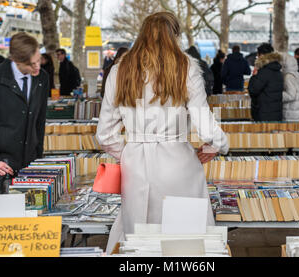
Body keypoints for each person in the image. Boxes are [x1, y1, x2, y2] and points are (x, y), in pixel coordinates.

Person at [96, 12, 228, 254]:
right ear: (175, 36)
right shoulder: (186, 66)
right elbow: (203, 121)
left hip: (136, 163)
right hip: (178, 161)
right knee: (185, 236)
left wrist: (127, 153)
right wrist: (216, 145)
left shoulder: (120, 70)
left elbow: (104, 133)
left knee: (137, 235)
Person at [0, 32, 49, 195]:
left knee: (25, 212)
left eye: (38, 61)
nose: (37, 67)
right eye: (31, 64)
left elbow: (39, 120)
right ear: (16, 61)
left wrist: (38, 155)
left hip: (28, 159)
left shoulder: (42, 78)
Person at [248, 43, 283, 121]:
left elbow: (253, 90)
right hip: (276, 113)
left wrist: (254, 76)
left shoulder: (264, 72)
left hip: (264, 114)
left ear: (261, 55)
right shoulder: (278, 71)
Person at [280, 53, 299, 121]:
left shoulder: (288, 77)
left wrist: (279, 94)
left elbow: (291, 95)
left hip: (291, 114)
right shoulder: (298, 75)